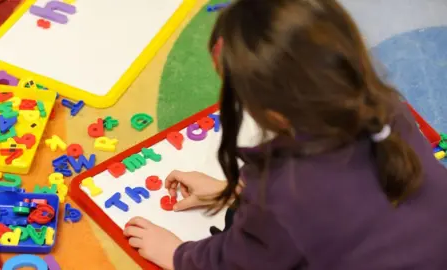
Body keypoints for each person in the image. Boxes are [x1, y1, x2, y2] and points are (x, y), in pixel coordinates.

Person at [123, 0, 447, 269]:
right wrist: (238, 193)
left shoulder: (283, 193)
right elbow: (348, 208)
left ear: (273, 112)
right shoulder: (385, 107)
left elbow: (240, 263)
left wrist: (178, 254)